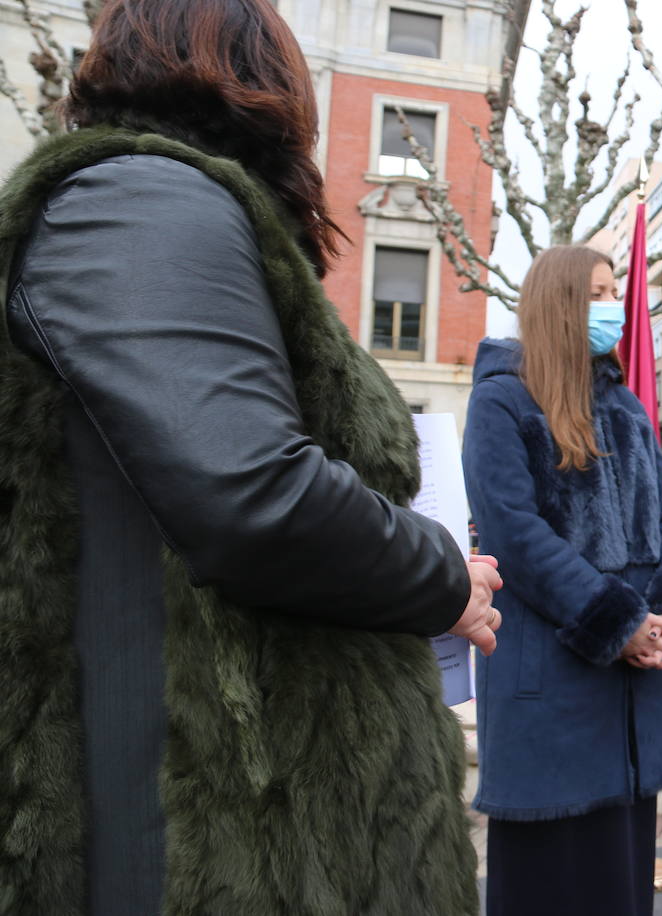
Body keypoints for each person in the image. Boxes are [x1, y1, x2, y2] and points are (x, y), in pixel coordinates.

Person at [0, 2, 501, 913]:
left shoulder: (162, 205)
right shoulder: (143, 199)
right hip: (209, 836)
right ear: (253, 70)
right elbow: (255, 496)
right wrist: (443, 577)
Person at [462, 245, 662, 916]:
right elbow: (515, 535)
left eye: (614, 289)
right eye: (598, 292)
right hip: (551, 678)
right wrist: (618, 622)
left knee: (619, 877)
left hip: (630, 689)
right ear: (559, 303)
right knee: (552, 881)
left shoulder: (625, 403)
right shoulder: (502, 401)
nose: (613, 305)